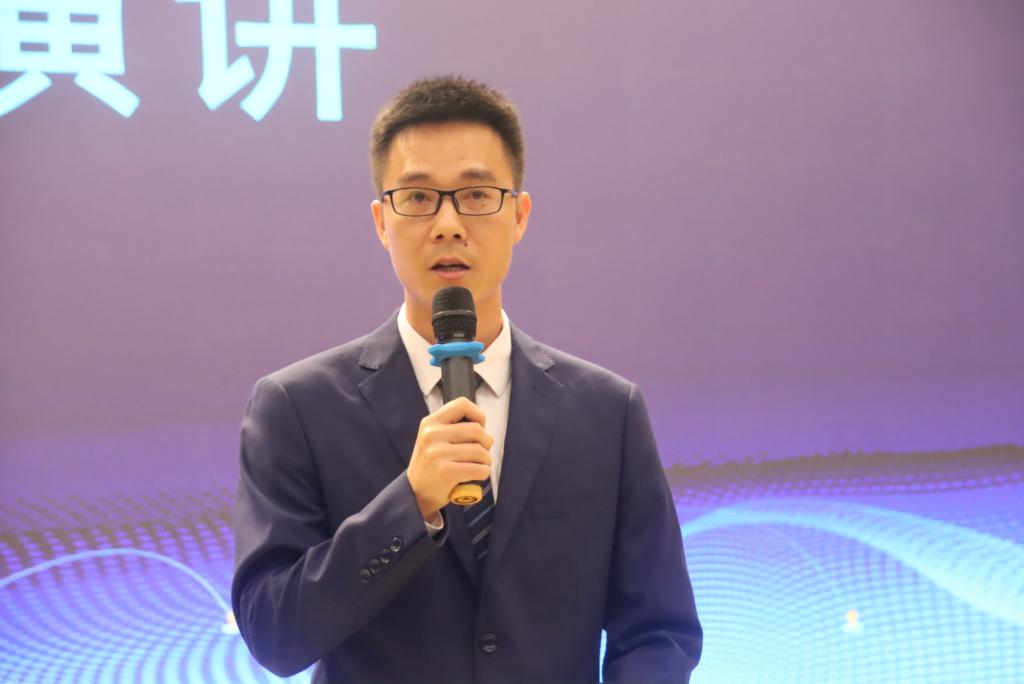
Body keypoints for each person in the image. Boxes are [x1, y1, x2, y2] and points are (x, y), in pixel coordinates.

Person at [231, 75, 702, 684]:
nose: (448, 224)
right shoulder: (297, 407)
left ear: (519, 215)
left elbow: (659, 629)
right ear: (381, 221)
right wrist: (412, 504)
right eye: (418, 197)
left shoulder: (607, 411)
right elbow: (274, 633)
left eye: (477, 195)